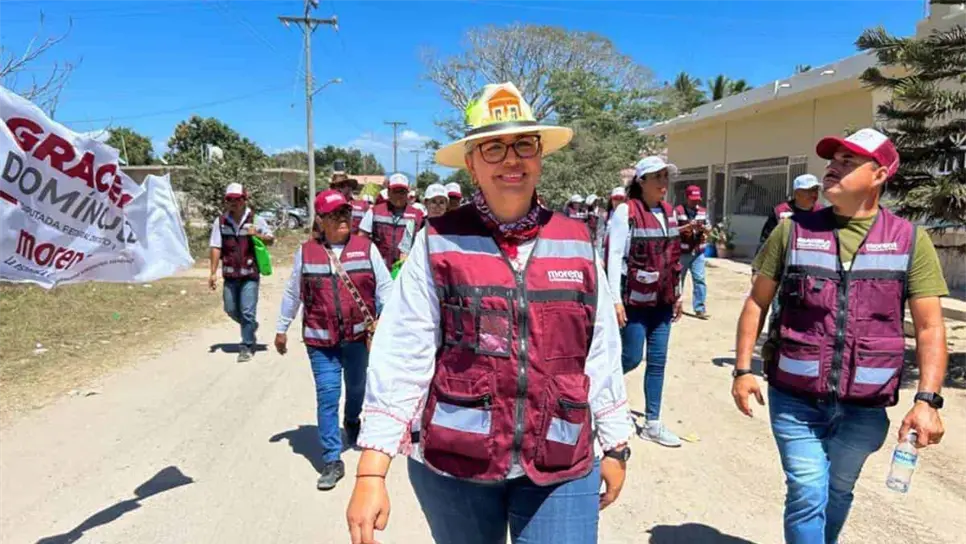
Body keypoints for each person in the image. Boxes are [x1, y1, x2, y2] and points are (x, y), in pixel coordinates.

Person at [346, 82, 631, 544]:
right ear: (472, 164)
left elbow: (598, 349)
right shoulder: (438, 240)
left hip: (561, 457)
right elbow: (403, 351)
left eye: (523, 144)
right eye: (493, 148)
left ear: (540, 156)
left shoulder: (577, 240)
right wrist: (372, 470)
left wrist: (616, 442)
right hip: (457, 465)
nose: (511, 159)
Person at [732, 128, 949, 544]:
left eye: (848, 162)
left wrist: (927, 401)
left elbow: (929, 327)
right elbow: (756, 302)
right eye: (832, 160)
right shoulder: (792, 231)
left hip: (865, 406)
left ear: (880, 174)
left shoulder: (909, 240)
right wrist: (743, 369)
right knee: (808, 490)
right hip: (794, 396)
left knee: (837, 491)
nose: (832, 168)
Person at [275, 189, 394, 490]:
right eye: (334, 215)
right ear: (321, 220)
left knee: (357, 388)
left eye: (345, 213)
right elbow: (293, 293)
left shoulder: (367, 249)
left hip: (357, 339)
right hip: (321, 342)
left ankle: (352, 420)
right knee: (327, 396)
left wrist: (383, 319)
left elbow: (386, 289)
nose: (342, 219)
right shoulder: (306, 252)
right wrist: (281, 327)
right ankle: (331, 458)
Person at [607, 156, 684, 448]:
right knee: (630, 357)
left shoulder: (670, 212)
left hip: (662, 302)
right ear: (642, 182)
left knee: (658, 362)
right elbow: (614, 257)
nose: (664, 184)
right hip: (634, 301)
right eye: (658, 177)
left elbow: (673, 257)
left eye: (666, 177)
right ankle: (594, 394)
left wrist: (678, 294)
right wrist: (616, 300)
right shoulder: (626, 211)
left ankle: (652, 423)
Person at [208, 183, 274, 362]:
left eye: (237, 199)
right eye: (230, 200)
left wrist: (257, 235)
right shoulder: (220, 222)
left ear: (245, 199)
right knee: (230, 309)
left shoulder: (256, 219)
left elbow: (271, 240)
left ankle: (246, 345)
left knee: (247, 311)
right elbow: (215, 247)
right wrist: (213, 272)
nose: (234, 203)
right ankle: (251, 326)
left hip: (250, 274)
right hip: (230, 275)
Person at [359, 173, 425, 268]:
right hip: (379, 267)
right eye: (395, 191)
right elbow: (362, 238)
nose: (399, 195)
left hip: (407, 268)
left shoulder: (418, 215)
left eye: (402, 191)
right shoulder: (374, 211)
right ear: (388, 192)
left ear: (407, 193)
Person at [757, 173, 823, 253]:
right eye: (808, 190)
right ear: (796, 193)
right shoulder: (780, 211)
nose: (814, 194)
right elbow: (766, 242)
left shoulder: (823, 212)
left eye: (815, 190)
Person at [673, 185, 711, 320]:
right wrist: (688, 226)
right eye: (692, 199)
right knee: (678, 280)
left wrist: (705, 229)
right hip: (682, 252)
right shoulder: (677, 211)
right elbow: (672, 230)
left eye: (697, 199)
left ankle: (700, 308)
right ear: (687, 197)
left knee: (700, 280)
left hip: (698, 251)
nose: (695, 202)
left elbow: (709, 229)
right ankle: (675, 307)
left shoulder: (702, 212)